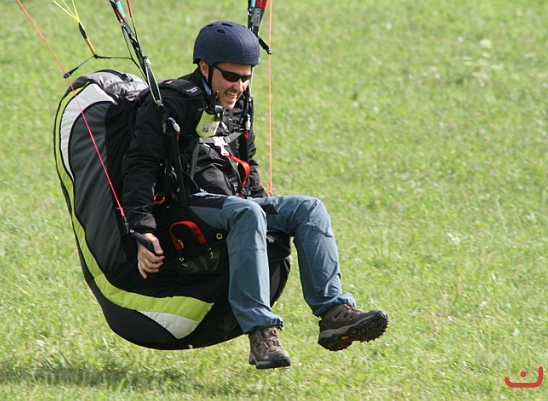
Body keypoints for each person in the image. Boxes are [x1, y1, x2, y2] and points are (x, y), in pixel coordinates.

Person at [122, 20, 389, 370]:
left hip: (235, 204)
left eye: (245, 78)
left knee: (309, 208)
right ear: (204, 67)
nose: (238, 86)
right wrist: (143, 230)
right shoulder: (171, 102)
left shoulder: (240, 101)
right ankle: (262, 333)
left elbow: (247, 160)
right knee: (247, 213)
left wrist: (265, 206)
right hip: (188, 206)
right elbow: (140, 166)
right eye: (231, 77)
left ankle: (333, 313)